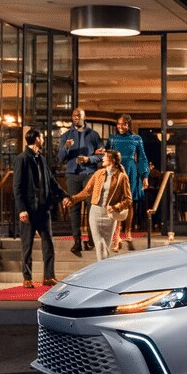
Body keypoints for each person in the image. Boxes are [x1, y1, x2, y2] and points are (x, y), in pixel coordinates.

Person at [12, 127, 67, 288]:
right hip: (28, 210)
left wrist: (64, 195)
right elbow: (17, 186)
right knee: (27, 246)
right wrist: (21, 209)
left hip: (43, 209)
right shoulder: (22, 159)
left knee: (48, 243)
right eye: (42, 137)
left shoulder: (41, 159)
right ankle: (27, 277)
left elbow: (51, 181)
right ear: (36, 139)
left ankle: (49, 276)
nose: (43, 139)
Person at [63, 150, 132, 261]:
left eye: (105, 157)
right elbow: (87, 191)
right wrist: (73, 199)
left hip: (110, 215)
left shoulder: (122, 177)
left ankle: (103, 271)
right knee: (99, 243)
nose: (103, 158)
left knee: (106, 246)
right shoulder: (98, 173)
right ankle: (102, 270)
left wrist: (116, 207)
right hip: (95, 212)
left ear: (112, 161)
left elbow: (128, 200)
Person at [56, 107, 103, 256]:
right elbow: (60, 158)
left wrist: (89, 159)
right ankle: (76, 240)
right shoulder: (66, 136)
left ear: (84, 117)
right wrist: (66, 147)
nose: (76, 117)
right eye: (74, 115)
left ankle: (91, 239)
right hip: (72, 174)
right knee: (74, 208)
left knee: (91, 206)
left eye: (79, 115)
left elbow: (102, 154)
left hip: (89, 174)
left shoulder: (93, 135)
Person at [106, 114, 149, 251]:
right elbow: (107, 155)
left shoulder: (137, 139)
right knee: (116, 201)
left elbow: (142, 158)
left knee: (129, 201)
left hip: (131, 170)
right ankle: (116, 235)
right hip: (116, 170)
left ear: (129, 125)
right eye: (118, 124)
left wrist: (145, 176)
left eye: (123, 124)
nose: (120, 126)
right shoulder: (112, 139)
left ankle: (128, 231)